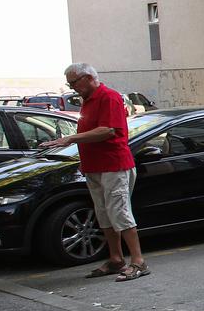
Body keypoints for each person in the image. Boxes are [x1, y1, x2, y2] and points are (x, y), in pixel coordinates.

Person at [39, 63, 150, 280]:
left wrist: (70, 138)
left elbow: (107, 130)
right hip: (95, 166)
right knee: (104, 214)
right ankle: (116, 259)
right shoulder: (88, 100)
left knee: (120, 213)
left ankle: (138, 261)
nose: (72, 88)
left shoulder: (109, 97)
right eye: (69, 84)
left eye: (74, 83)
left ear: (88, 77)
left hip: (114, 165)